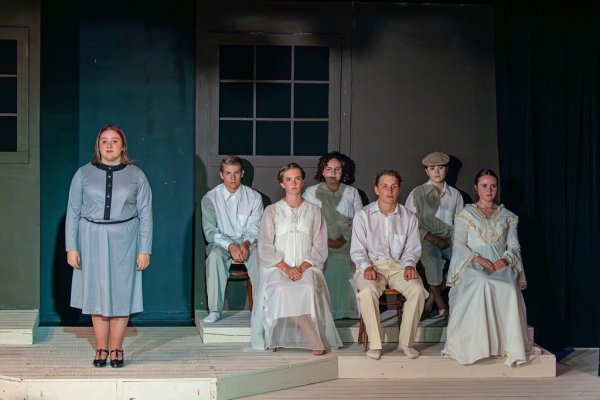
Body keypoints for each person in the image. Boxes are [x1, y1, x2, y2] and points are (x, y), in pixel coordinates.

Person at [66, 124, 153, 368]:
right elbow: (73, 212)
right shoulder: (83, 173)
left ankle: (117, 348)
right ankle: (101, 348)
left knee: (121, 294)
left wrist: (144, 249)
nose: (109, 145)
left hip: (125, 239)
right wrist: (71, 247)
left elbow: (146, 214)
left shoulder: (137, 175)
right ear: (98, 145)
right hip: (91, 237)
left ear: (122, 145)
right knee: (96, 293)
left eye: (114, 140)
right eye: (104, 140)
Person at [442, 169, 538, 366]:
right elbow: (458, 245)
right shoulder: (465, 214)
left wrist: (506, 260)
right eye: (484, 185)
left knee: (508, 287)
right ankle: (478, 346)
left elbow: (514, 246)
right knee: (481, 281)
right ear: (476, 187)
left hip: (500, 262)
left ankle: (506, 345)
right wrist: (476, 258)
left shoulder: (508, 216)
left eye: (493, 186)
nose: (489, 190)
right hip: (472, 262)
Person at [250, 163, 342, 355]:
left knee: (308, 286)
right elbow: (265, 245)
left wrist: (302, 267)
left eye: (297, 178)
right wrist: (286, 268)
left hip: (307, 266)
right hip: (277, 266)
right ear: (282, 183)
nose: (293, 183)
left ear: (303, 181)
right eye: (288, 179)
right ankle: (299, 333)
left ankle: (309, 332)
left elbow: (320, 245)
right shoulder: (272, 210)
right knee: (280, 288)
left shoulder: (314, 210)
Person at [351, 170, 428, 360]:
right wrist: (367, 266)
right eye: (384, 186)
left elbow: (412, 249)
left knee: (418, 290)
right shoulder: (363, 215)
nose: (389, 191)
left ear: (399, 189)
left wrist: (409, 265)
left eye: (394, 186)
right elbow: (357, 250)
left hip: (399, 266)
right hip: (371, 266)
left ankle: (406, 343)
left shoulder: (409, 217)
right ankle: (376, 345)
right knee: (367, 291)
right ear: (377, 189)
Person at [201, 155, 264, 323]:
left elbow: (255, 228)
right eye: (228, 173)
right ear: (221, 175)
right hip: (221, 243)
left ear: (242, 173)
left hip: (248, 242)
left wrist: (246, 243)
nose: (232, 177)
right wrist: (231, 245)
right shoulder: (210, 198)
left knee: (261, 256)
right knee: (214, 256)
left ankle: (262, 309)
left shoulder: (254, 197)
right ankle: (215, 310)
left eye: (236, 173)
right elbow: (210, 232)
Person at [303, 152, 362, 319]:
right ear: (322, 171)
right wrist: (324, 240)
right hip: (321, 243)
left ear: (343, 171)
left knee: (350, 266)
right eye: (329, 169)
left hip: (347, 243)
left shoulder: (352, 193)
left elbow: (359, 221)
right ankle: (326, 313)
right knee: (325, 265)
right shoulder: (311, 192)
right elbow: (307, 220)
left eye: (337, 169)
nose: (333, 173)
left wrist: (344, 238)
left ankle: (348, 311)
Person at [405, 151, 463, 319]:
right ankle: (441, 304)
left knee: (464, 262)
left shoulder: (455, 195)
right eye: (432, 168)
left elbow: (461, 223)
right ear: (426, 171)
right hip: (426, 239)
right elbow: (409, 223)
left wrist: (452, 239)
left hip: (450, 240)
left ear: (447, 170)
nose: (437, 172)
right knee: (433, 261)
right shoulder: (417, 193)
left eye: (441, 168)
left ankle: (430, 299)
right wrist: (431, 237)